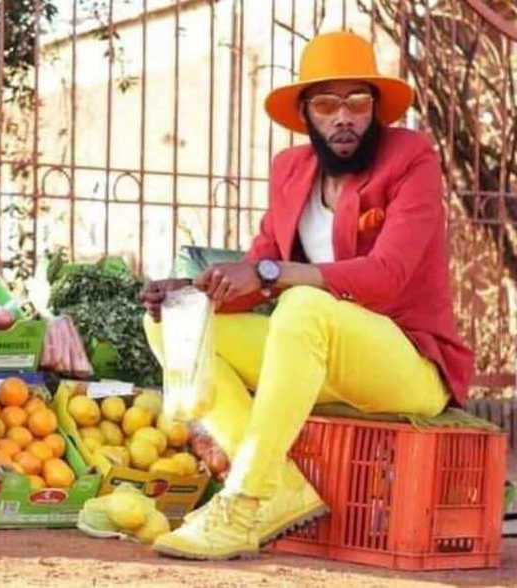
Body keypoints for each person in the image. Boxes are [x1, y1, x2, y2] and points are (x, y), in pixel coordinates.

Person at [139, 31, 473, 559]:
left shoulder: (411, 158)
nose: (344, 118)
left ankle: (243, 503)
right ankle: (280, 491)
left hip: (407, 363)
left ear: (376, 108)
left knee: (303, 304)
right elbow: (257, 269)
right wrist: (195, 290)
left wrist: (270, 273)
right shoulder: (291, 170)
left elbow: (387, 274)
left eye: (357, 102)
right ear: (305, 113)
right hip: (317, 356)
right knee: (174, 323)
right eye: (326, 105)